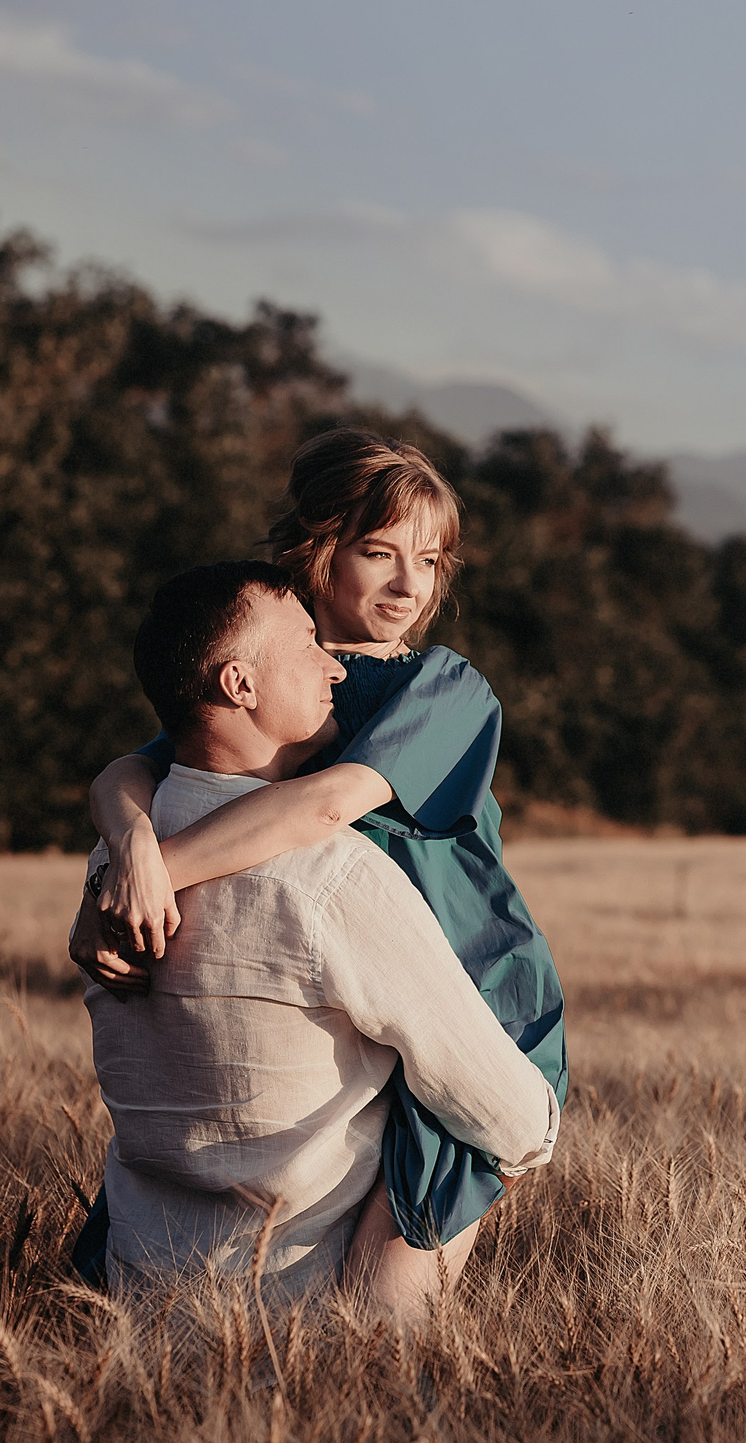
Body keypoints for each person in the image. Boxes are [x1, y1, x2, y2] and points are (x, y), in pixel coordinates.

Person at [68, 430, 565, 1302]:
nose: (411, 585)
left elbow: (326, 806)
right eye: (380, 553)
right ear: (320, 549)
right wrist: (126, 851)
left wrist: (150, 872)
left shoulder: (440, 690)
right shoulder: (274, 675)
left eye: (431, 559)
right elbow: (135, 770)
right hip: (342, 994)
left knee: (378, 1311)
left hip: (465, 993)